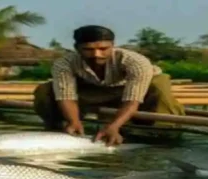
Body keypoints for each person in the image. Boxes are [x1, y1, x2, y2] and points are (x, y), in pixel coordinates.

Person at [33, 25, 186, 146]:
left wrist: (114, 126)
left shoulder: (135, 61)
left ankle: (162, 135)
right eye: (88, 50)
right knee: (44, 90)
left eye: (103, 49)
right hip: (96, 90)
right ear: (77, 49)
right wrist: (74, 121)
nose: (96, 54)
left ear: (113, 46)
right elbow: (66, 97)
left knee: (160, 85)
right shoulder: (64, 63)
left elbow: (132, 100)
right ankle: (61, 127)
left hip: (138, 91)